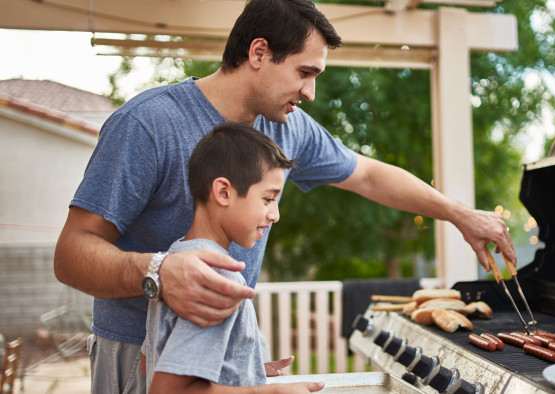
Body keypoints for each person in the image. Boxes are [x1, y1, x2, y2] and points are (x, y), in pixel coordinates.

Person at [53, 0, 516, 392]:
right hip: (139, 354)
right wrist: (159, 272)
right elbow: (71, 253)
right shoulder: (149, 124)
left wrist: (459, 215)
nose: (310, 92)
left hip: (221, 357)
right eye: (304, 72)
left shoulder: (285, 128)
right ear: (259, 52)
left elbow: (370, 176)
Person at [143, 122, 321, 393]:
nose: (275, 215)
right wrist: (267, 392)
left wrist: (247, 368)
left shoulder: (177, 259)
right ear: (223, 192)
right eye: (268, 199)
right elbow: (168, 390)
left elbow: (150, 362)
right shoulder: (216, 276)